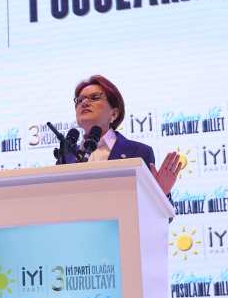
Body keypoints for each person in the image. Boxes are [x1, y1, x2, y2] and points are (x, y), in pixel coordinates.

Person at [60, 75, 181, 203]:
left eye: (95, 98)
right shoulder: (66, 157)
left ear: (114, 113)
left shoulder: (139, 152)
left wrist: (162, 193)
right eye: (80, 100)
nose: (84, 103)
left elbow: (151, 211)